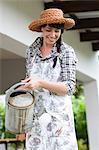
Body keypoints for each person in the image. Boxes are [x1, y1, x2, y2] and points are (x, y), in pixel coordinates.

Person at [18, 8, 78, 150]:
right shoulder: (31, 51)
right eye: (49, 30)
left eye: (57, 31)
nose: (53, 35)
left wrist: (40, 83)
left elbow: (69, 88)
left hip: (59, 119)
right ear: (42, 29)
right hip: (36, 118)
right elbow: (30, 80)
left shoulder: (66, 52)